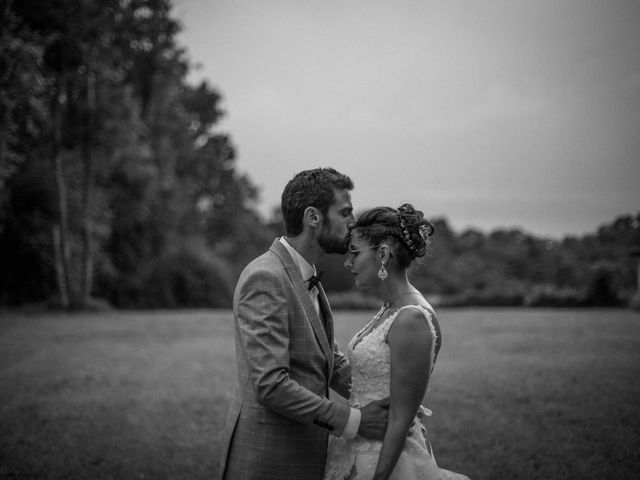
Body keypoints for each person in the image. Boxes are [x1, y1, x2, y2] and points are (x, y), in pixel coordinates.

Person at [218, 168, 390, 480]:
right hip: (268, 461)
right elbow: (271, 386)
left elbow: (324, 361)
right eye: (346, 212)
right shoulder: (266, 277)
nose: (353, 223)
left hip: (303, 457)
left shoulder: (306, 275)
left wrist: (384, 391)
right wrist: (355, 421)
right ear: (313, 217)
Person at [324, 204, 470, 480]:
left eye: (354, 253)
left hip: (387, 461)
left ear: (382, 254)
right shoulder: (390, 308)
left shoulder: (411, 318)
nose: (347, 263)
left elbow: (401, 419)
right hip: (359, 445)